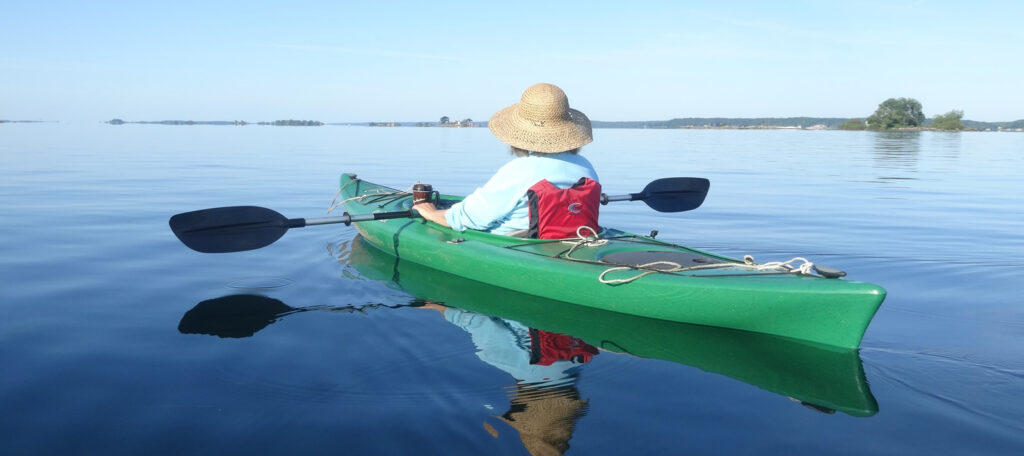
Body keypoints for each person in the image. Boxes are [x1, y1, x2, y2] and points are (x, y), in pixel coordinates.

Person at [413, 83, 599, 237]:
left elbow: (471, 217)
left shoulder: (521, 170)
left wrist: (431, 212)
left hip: (518, 246)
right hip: (578, 238)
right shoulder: (585, 167)